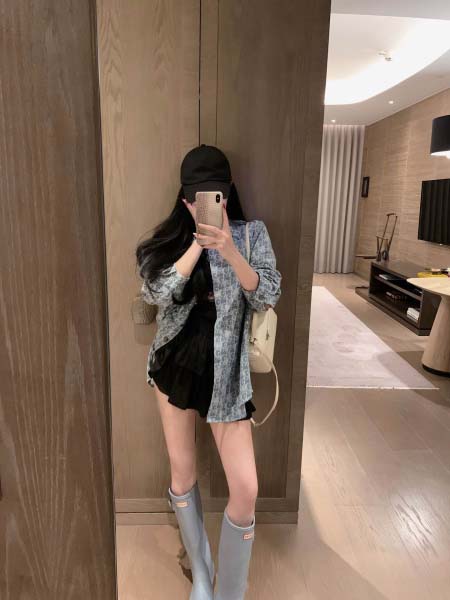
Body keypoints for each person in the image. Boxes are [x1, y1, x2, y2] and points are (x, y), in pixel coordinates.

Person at [136, 144, 282, 599]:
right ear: (185, 199)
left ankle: (229, 593)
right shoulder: (169, 240)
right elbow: (154, 293)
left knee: (246, 488)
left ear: (228, 193)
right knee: (182, 474)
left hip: (227, 368)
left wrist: (231, 252)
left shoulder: (252, 234)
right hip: (177, 362)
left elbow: (268, 293)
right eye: (198, 196)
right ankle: (202, 574)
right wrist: (196, 248)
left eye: (216, 194)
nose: (207, 204)